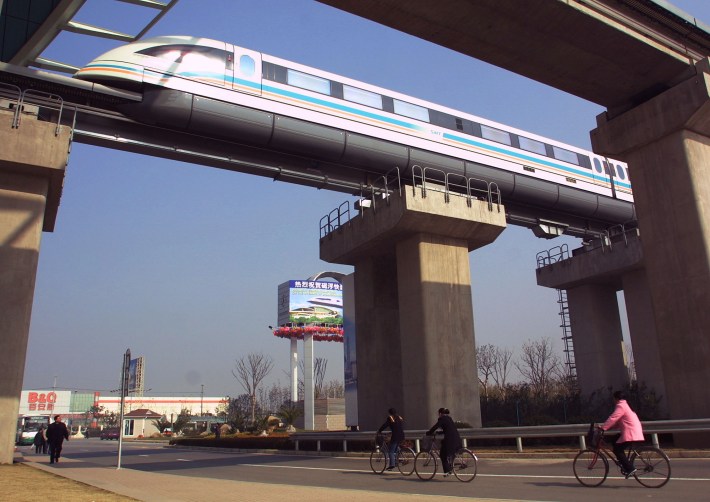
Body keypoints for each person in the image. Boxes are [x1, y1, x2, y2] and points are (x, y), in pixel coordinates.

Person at [599, 390, 644, 478]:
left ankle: (630, 468)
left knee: (617, 449)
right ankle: (622, 460)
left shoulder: (621, 406)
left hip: (630, 432)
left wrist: (603, 428)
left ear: (616, 398)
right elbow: (618, 422)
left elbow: (613, 418)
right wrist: (607, 427)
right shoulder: (625, 405)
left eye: (613, 399)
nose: (613, 400)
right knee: (614, 440)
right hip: (632, 431)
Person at [426, 408, 461, 476]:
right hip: (456, 438)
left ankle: (447, 471)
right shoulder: (449, 418)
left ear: (440, 413)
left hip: (450, 439)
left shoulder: (442, 419)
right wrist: (439, 432)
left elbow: (436, 426)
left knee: (442, 454)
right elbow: (449, 429)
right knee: (448, 450)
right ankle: (450, 466)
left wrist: (429, 432)